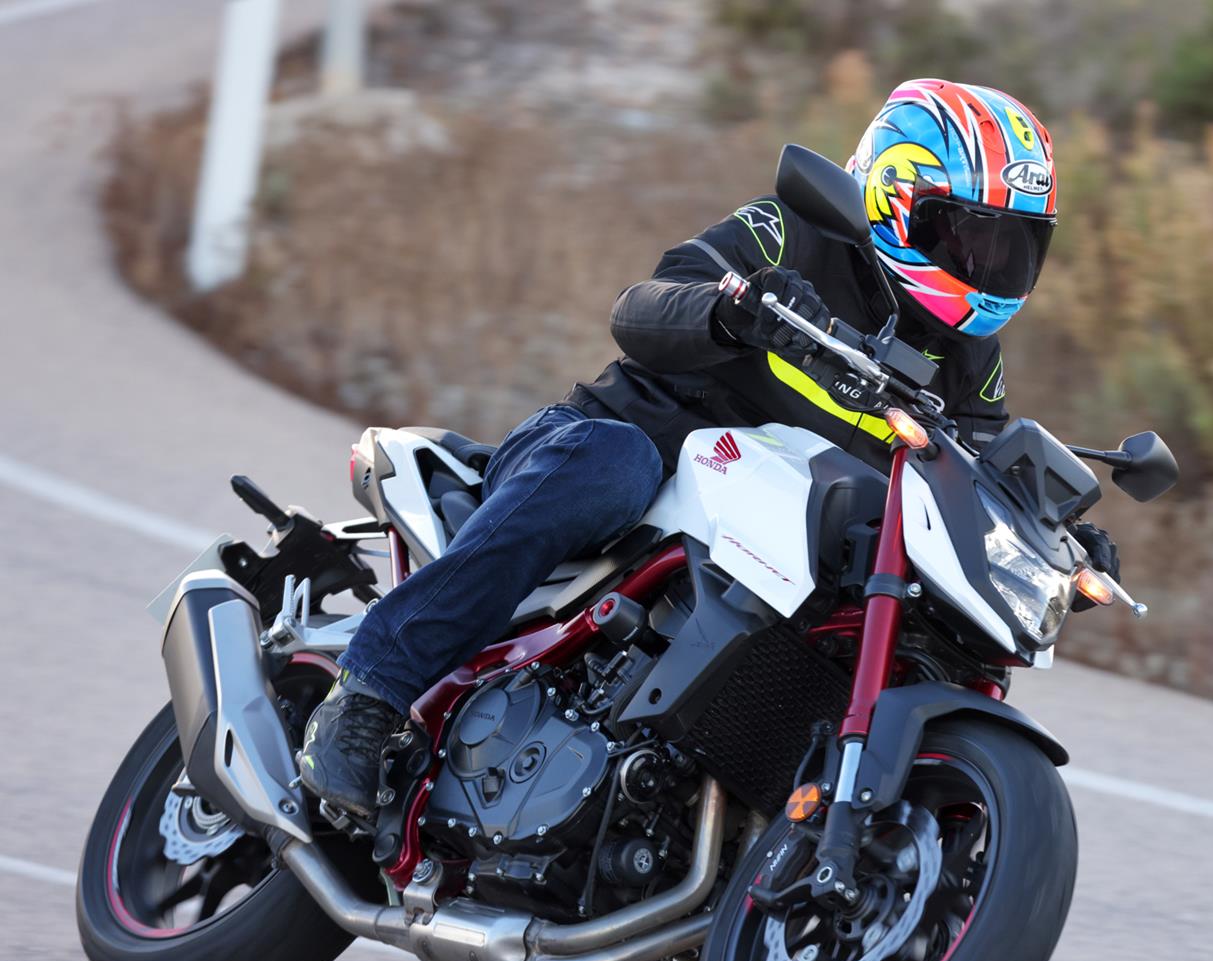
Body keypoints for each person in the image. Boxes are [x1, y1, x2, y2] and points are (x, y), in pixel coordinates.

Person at [297, 78, 1118, 818]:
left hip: (772, 532)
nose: (984, 263)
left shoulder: (969, 357)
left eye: (1010, 247)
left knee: (906, 612)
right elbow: (640, 307)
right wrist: (733, 311)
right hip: (626, 456)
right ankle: (369, 693)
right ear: (896, 199)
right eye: (966, 235)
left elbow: (973, 469)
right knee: (611, 464)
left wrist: (1052, 537)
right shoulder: (788, 233)